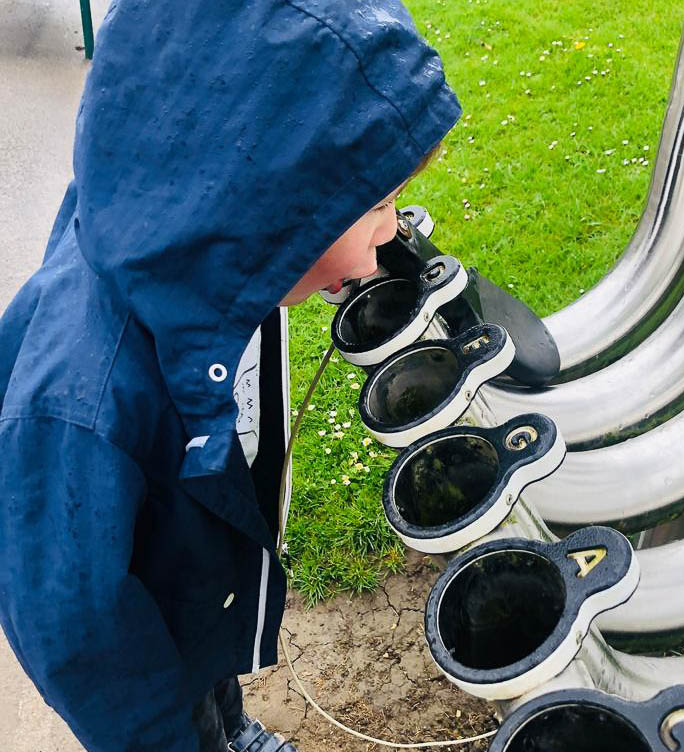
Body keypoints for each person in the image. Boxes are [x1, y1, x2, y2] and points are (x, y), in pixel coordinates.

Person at [0, 0, 461, 750]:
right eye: (378, 205)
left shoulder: (205, 250)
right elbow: (77, 634)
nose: (393, 233)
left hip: (195, 556)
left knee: (209, 658)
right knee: (180, 698)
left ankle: (228, 725)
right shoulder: (77, 410)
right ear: (266, 203)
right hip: (138, 641)